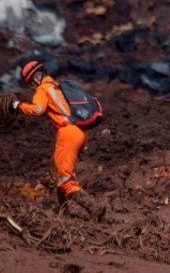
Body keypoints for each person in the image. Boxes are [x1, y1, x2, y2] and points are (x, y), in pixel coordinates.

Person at [12, 60, 105, 219]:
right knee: (58, 174)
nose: (31, 87)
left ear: (34, 78)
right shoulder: (58, 86)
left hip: (68, 134)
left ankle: (94, 208)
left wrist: (17, 106)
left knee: (66, 181)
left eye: (30, 83)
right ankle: (64, 213)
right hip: (81, 132)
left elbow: (38, 110)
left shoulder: (43, 89)